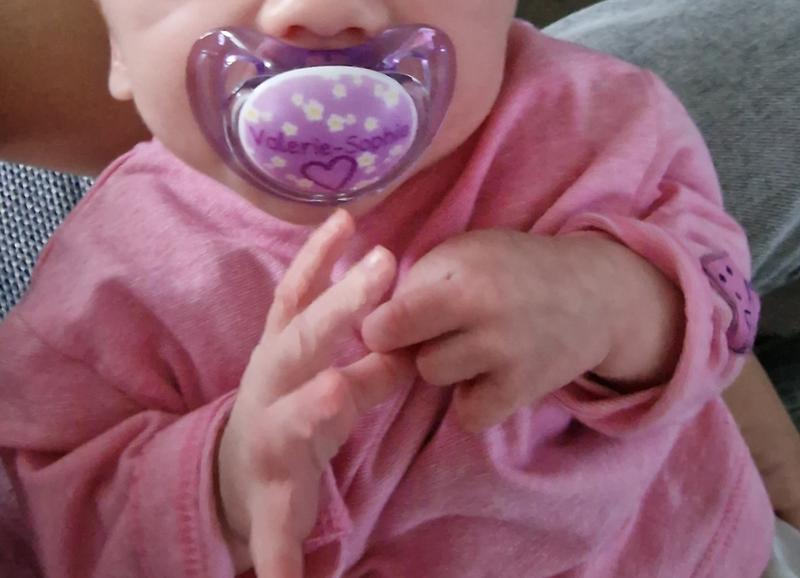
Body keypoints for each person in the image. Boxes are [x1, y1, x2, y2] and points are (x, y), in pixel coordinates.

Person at [0, 1, 787, 577]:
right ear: (114, 49)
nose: (323, 11)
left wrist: (617, 302)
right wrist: (221, 489)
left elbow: (727, 302)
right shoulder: (101, 290)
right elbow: (46, 527)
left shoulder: (596, 122)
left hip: (691, 551)